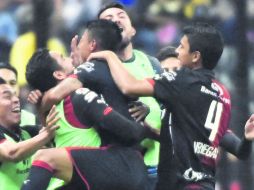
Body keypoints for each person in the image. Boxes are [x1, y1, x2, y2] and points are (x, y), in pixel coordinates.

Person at [85, 22, 244, 189]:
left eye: (182, 46)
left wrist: (110, 56)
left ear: (195, 56)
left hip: (180, 183)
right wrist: (247, 138)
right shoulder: (222, 93)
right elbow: (241, 151)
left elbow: (128, 86)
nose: (177, 50)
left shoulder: (181, 81)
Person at [22, 48, 158, 190]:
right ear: (59, 74)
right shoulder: (78, 97)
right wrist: (148, 130)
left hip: (65, 181)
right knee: (43, 156)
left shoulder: (49, 110)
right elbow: (129, 131)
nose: (70, 58)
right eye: (63, 58)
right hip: (85, 178)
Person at [98, 2, 163, 175]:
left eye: (121, 16)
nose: (116, 20)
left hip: (160, 164)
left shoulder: (152, 63)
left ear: (133, 30)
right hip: (123, 167)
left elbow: (168, 108)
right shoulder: (96, 67)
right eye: (109, 18)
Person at [0, 77, 59, 190]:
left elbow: (51, 128)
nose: (16, 99)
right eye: (7, 97)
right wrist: (46, 134)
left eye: (15, 95)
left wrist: (41, 105)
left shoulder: (27, 133)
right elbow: (11, 153)